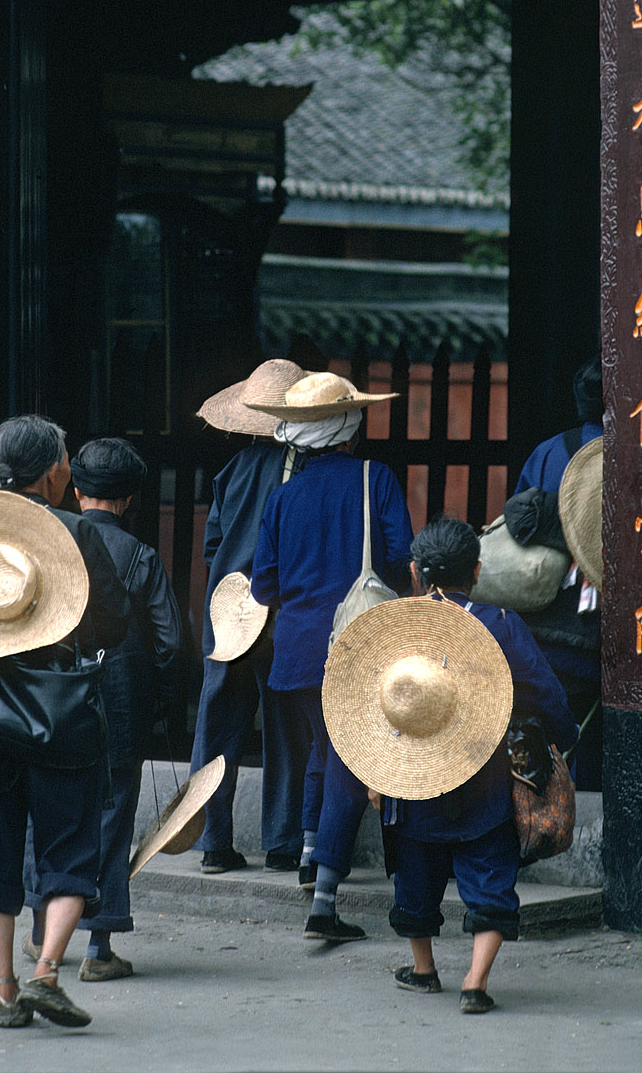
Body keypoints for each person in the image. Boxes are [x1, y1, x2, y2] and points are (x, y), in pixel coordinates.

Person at [0, 414, 131, 1030]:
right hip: (61, 713)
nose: (68, 468)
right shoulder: (77, 533)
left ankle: (6, 993)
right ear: (52, 473)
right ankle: (48, 969)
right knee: (70, 847)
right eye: (65, 459)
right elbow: (112, 624)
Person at [374, 518, 576, 1011]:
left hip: (413, 781)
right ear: (479, 571)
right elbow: (546, 693)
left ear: (416, 573)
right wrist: (563, 739)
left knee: (414, 878)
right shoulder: (504, 625)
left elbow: (368, 705)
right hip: (485, 785)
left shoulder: (397, 629)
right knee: (490, 875)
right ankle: (475, 982)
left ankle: (423, 970)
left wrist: (372, 774)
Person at [248, 371, 414, 942]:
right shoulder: (377, 478)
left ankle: (309, 851)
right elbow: (398, 557)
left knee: (323, 747)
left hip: (294, 653)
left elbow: (262, 588)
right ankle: (323, 900)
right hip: (358, 647)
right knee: (352, 762)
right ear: (350, 425)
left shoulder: (281, 497)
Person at [23, 436, 184, 979]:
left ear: (78, 489)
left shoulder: (52, 541)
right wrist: (160, 698)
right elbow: (169, 643)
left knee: (49, 803)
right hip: (119, 697)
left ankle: (41, 930)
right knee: (112, 811)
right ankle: (99, 948)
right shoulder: (140, 557)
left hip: (53, 693)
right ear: (130, 498)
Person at [188, 359, 312, 874]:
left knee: (216, 726)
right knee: (285, 726)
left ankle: (213, 844)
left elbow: (212, 544)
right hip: (281, 611)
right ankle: (283, 843)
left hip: (228, 609)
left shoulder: (232, 470)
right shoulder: (307, 470)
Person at [514, 353, 603, 789]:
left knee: (548, 737)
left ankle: (544, 811)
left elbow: (515, 530)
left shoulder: (547, 454)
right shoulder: (640, 455)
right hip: (608, 635)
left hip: (547, 627)